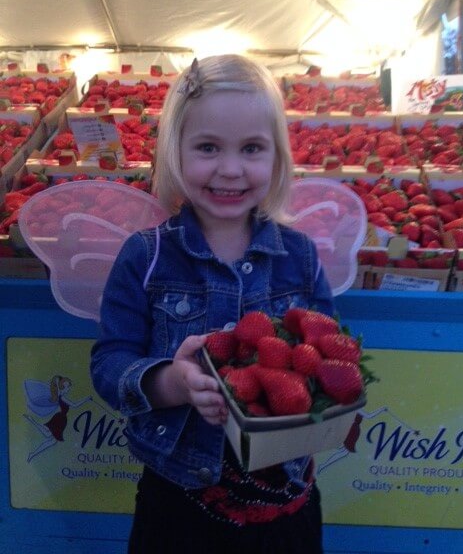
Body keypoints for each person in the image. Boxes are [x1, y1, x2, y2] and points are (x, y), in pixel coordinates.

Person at [90, 54, 334, 554]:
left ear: (277, 158)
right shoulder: (146, 256)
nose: (230, 169)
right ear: (174, 151)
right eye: (207, 147)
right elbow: (110, 363)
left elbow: (326, 354)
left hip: (283, 495)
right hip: (179, 498)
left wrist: (323, 380)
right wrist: (169, 382)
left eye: (251, 148)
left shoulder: (300, 257)